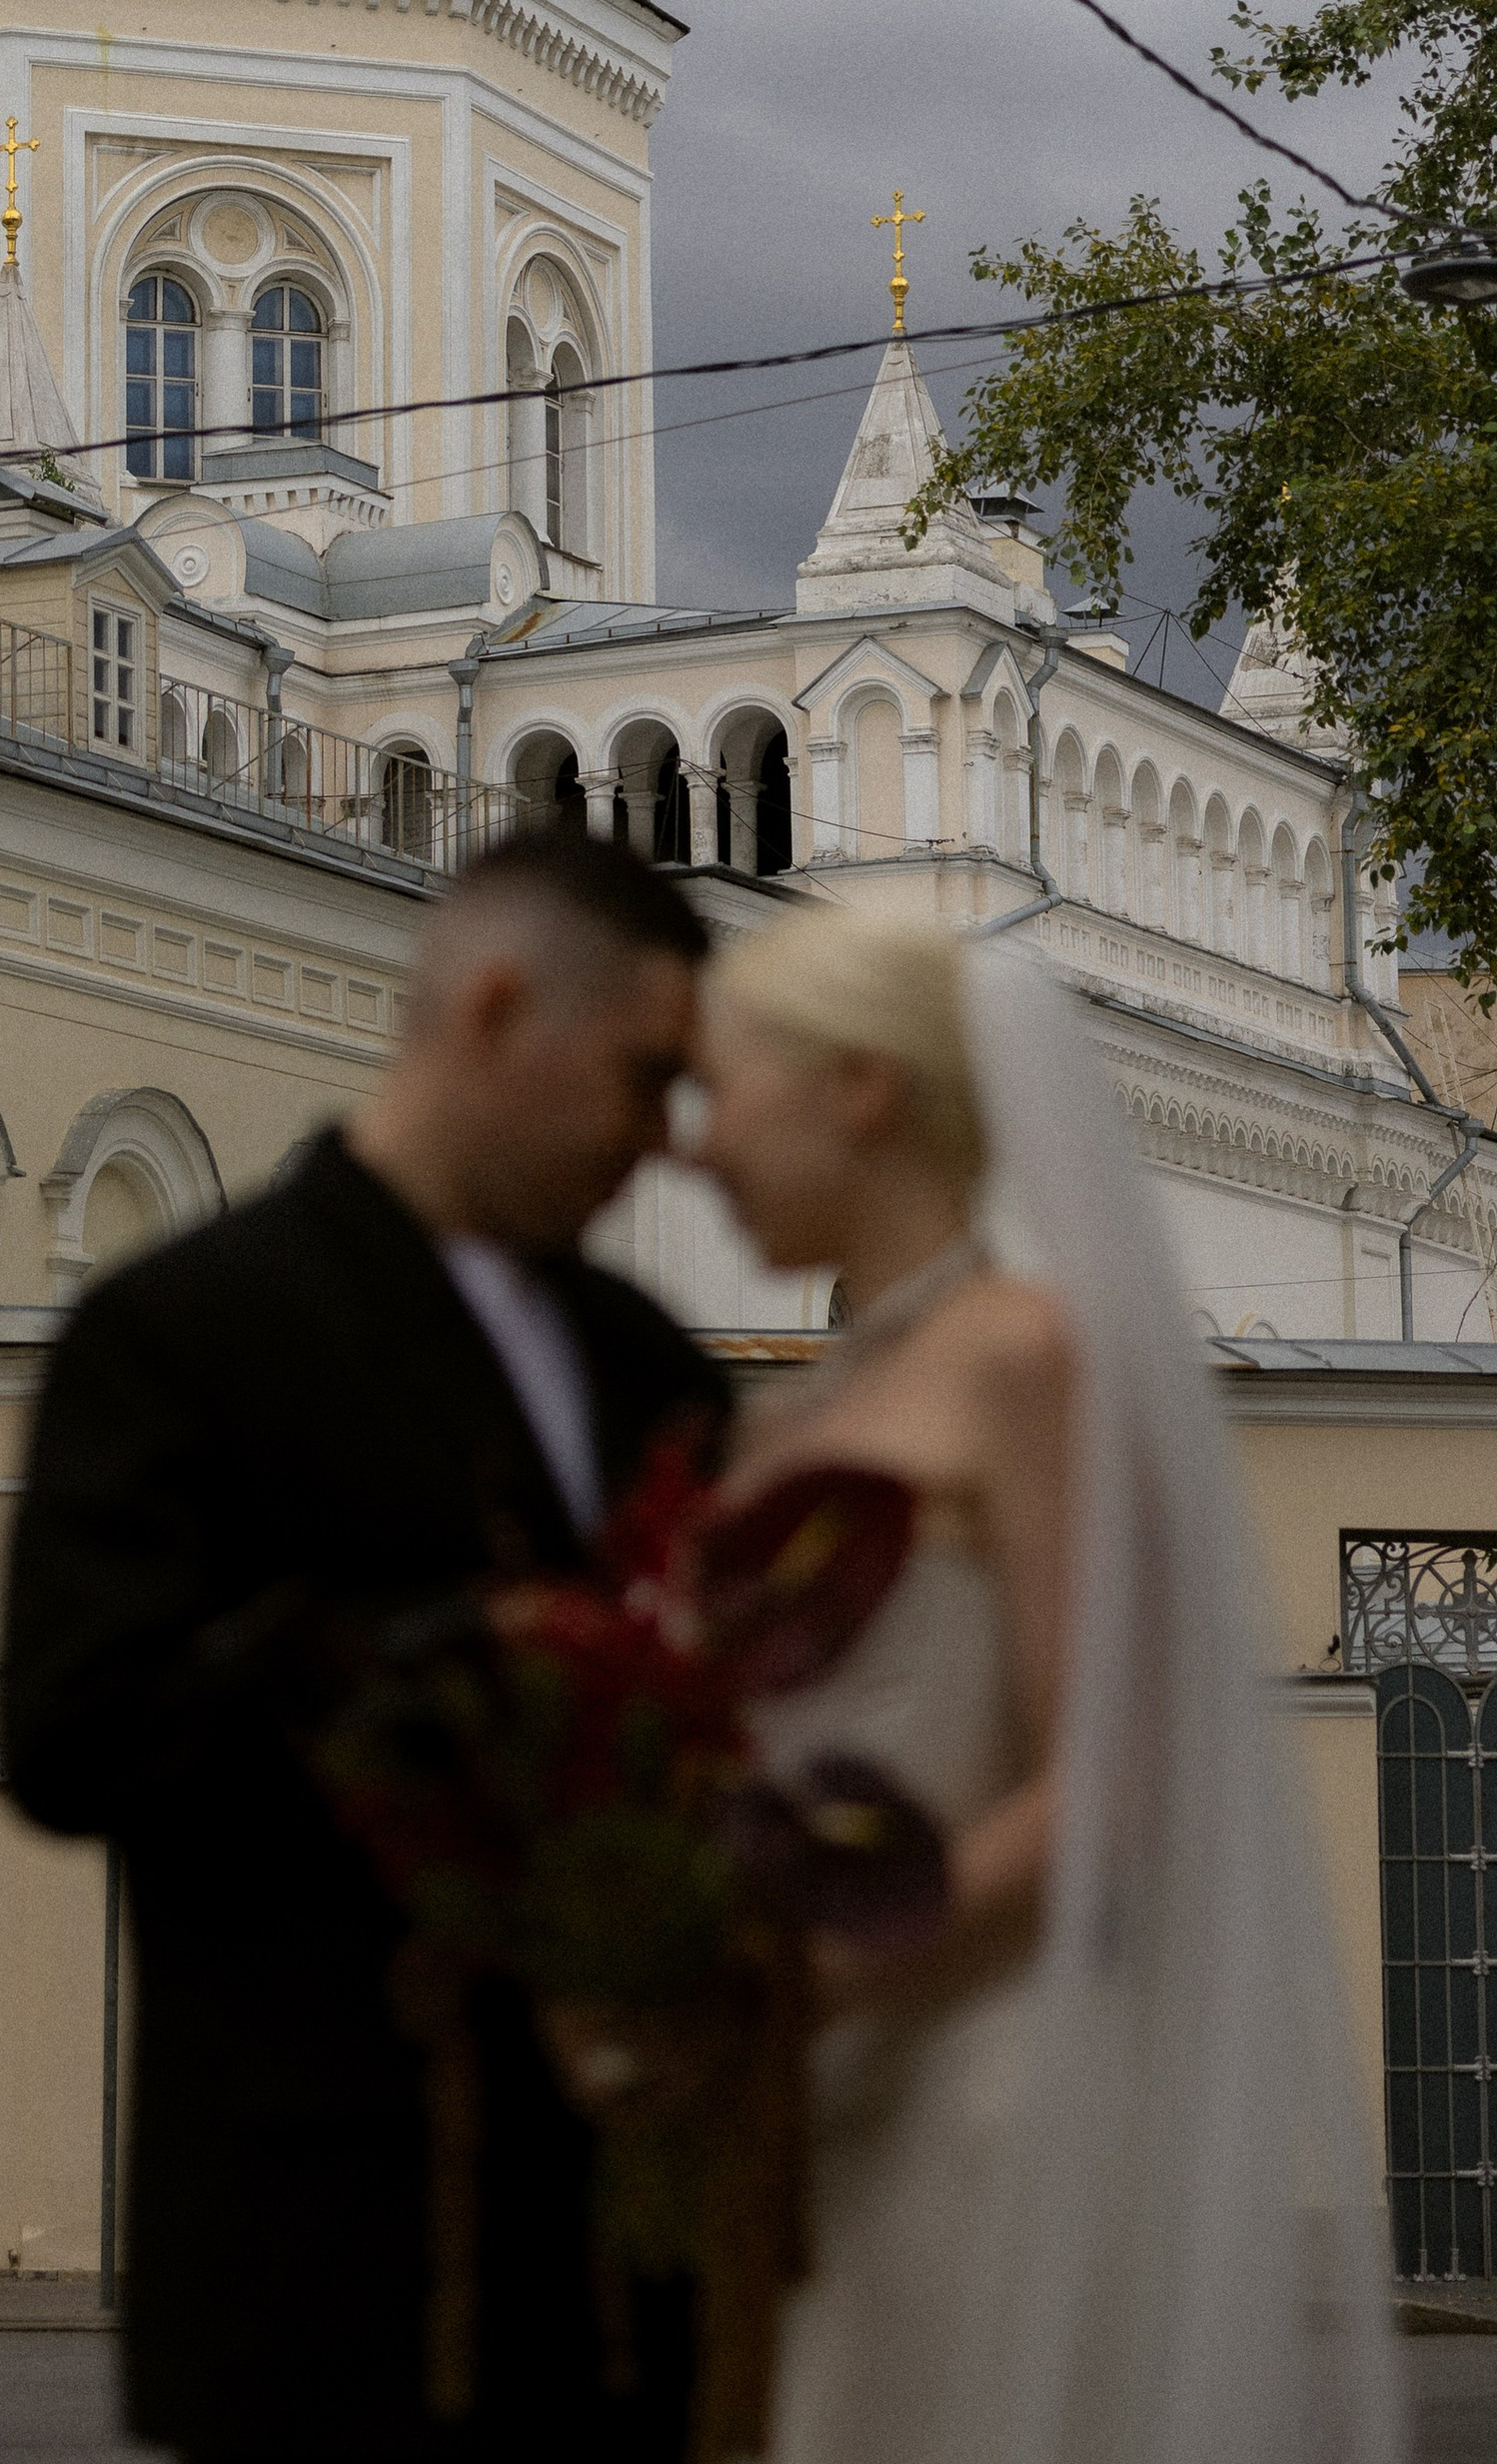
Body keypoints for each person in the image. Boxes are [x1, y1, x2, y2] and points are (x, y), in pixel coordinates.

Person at [1, 828, 726, 2464]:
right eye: (640, 1077)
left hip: (619, 2278)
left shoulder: (651, 1367)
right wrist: (437, 1660)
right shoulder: (181, 1334)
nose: (662, 1142)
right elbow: (69, 1734)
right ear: (491, 1010)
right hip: (317, 2278)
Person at [675, 905, 1402, 2464]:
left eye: (726, 1089)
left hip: (974, 2089)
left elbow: (1110, 1782)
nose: (698, 1149)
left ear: (865, 1086)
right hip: (800, 2099)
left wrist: (810, 1978)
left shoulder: (1027, 1359)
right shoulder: (780, 1425)